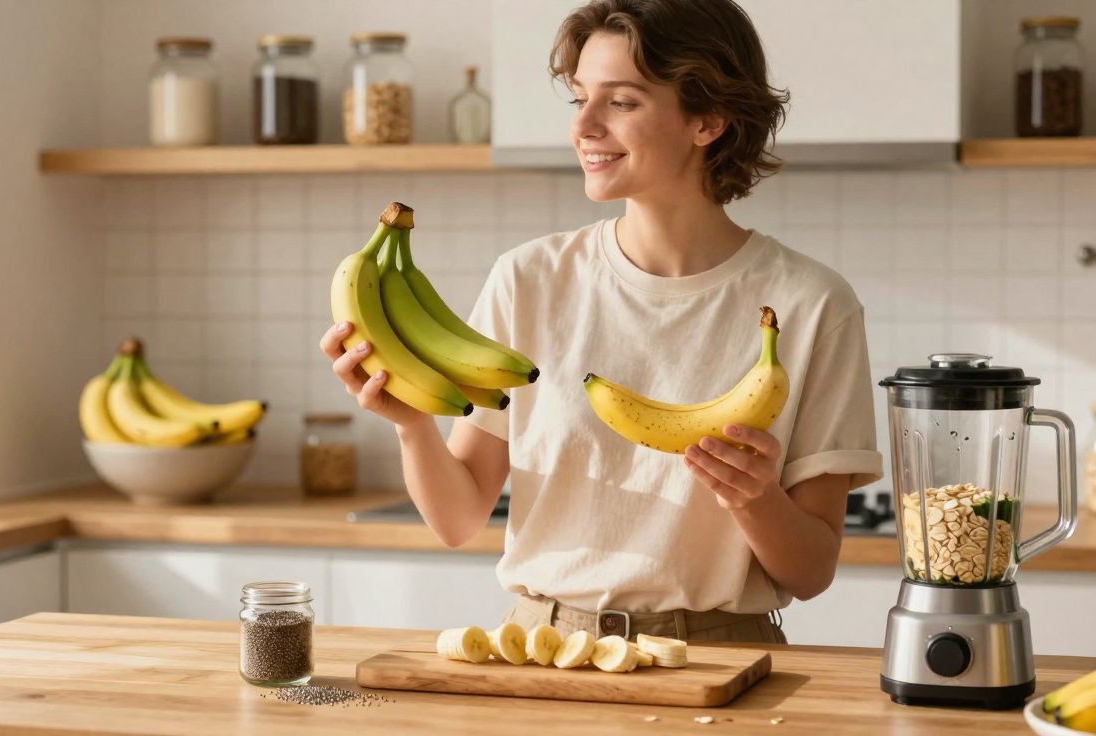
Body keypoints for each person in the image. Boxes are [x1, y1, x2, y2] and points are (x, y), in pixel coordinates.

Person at [319, 0, 882, 644]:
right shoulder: (529, 280)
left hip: (720, 657)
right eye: (579, 98)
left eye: (621, 102)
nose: (583, 126)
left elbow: (811, 571)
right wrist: (412, 423)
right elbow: (457, 518)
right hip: (542, 647)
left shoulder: (812, 305)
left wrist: (755, 499)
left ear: (709, 119)